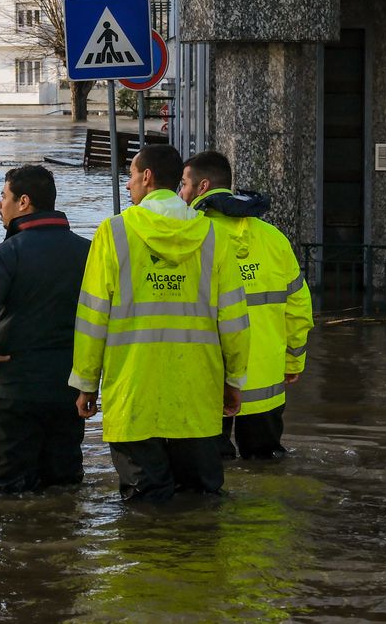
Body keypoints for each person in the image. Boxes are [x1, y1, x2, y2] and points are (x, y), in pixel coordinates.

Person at [69, 144, 250, 502]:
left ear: (147, 177)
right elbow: (234, 319)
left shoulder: (113, 233)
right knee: (201, 501)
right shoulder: (213, 236)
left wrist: (86, 383)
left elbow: (92, 317)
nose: (128, 184)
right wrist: (234, 380)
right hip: (197, 393)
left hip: (133, 393)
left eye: (131, 175)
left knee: (145, 505)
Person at [0, 165, 91, 494]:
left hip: (14, 391)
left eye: (3, 196)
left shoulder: (5, 254)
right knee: (65, 487)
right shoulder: (89, 252)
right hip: (69, 389)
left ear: (23, 202)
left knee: (8, 493)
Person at [180, 151, 314, 460]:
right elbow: (298, 308)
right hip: (266, 383)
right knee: (266, 468)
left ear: (202, 187)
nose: (181, 193)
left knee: (211, 469)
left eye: (184, 184)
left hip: (208, 382)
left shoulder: (190, 238)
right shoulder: (274, 239)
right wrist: (293, 361)